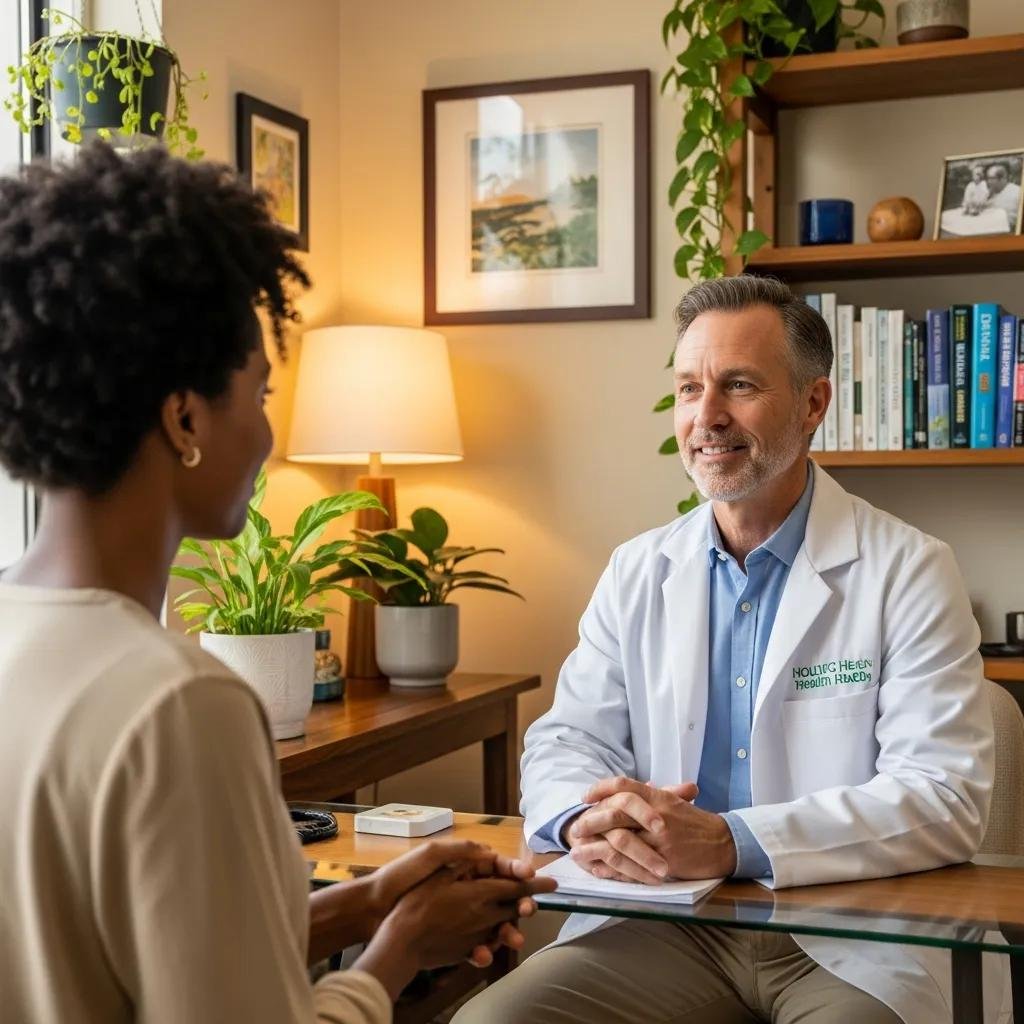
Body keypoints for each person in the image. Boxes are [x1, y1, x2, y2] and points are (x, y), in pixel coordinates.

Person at [0, 142, 554, 1024]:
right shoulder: (178, 704)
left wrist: (366, 906)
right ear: (185, 417)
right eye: (260, 397)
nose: (266, 438)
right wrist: (397, 956)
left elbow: (119, 953)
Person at [454, 275, 1004, 1024]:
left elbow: (944, 795)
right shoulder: (638, 569)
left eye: (739, 385)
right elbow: (567, 741)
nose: (706, 416)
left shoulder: (909, 568)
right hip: (666, 925)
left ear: (813, 404)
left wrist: (730, 841)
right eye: (689, 388)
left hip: (849, 929)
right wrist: (583, 821)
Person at [983, 162, 1021, 232]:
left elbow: (1012, 221)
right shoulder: (990, 192)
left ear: (1002, 179)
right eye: (987, 178)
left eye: (991, 178)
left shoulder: (1017, 193)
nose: (988, 182)